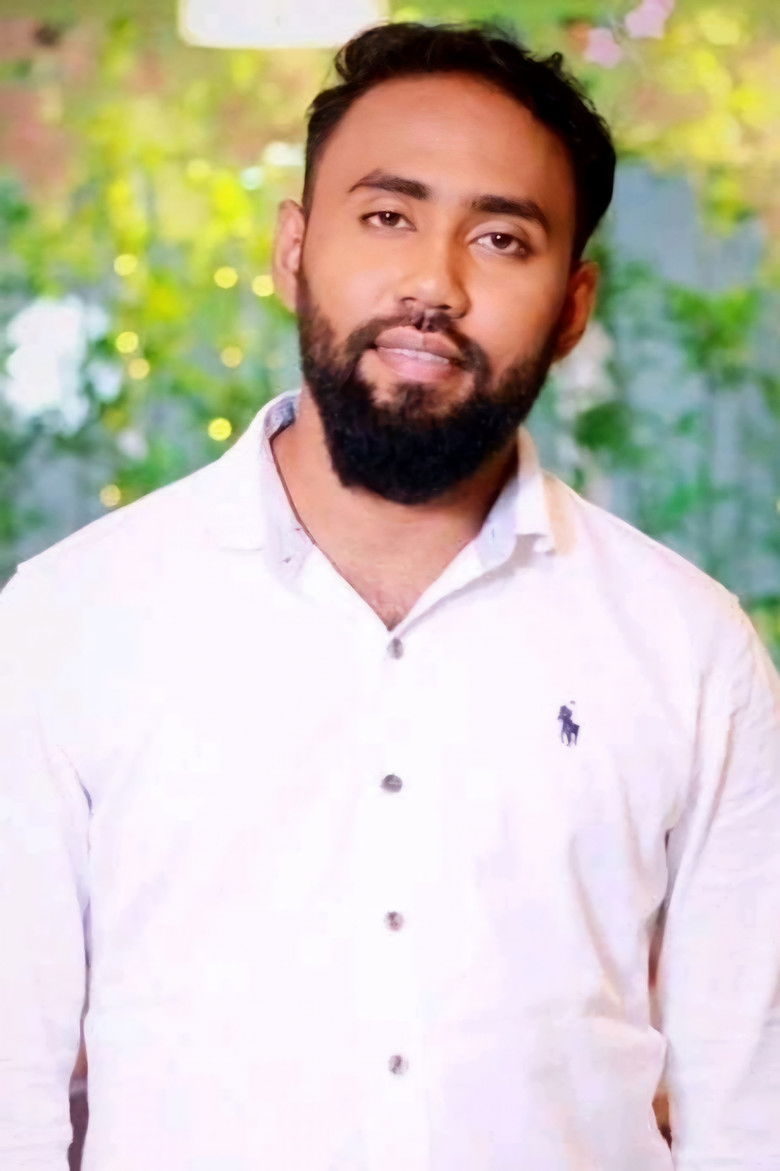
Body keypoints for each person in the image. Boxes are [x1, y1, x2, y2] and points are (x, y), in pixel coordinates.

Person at [1, 19, 778, 1171]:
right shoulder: (71, 618)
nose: (434, 284)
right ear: (292, 250)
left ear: (573, 305)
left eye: (502, 239)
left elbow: (750, 1104)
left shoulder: (690, 646)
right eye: (387, 217)